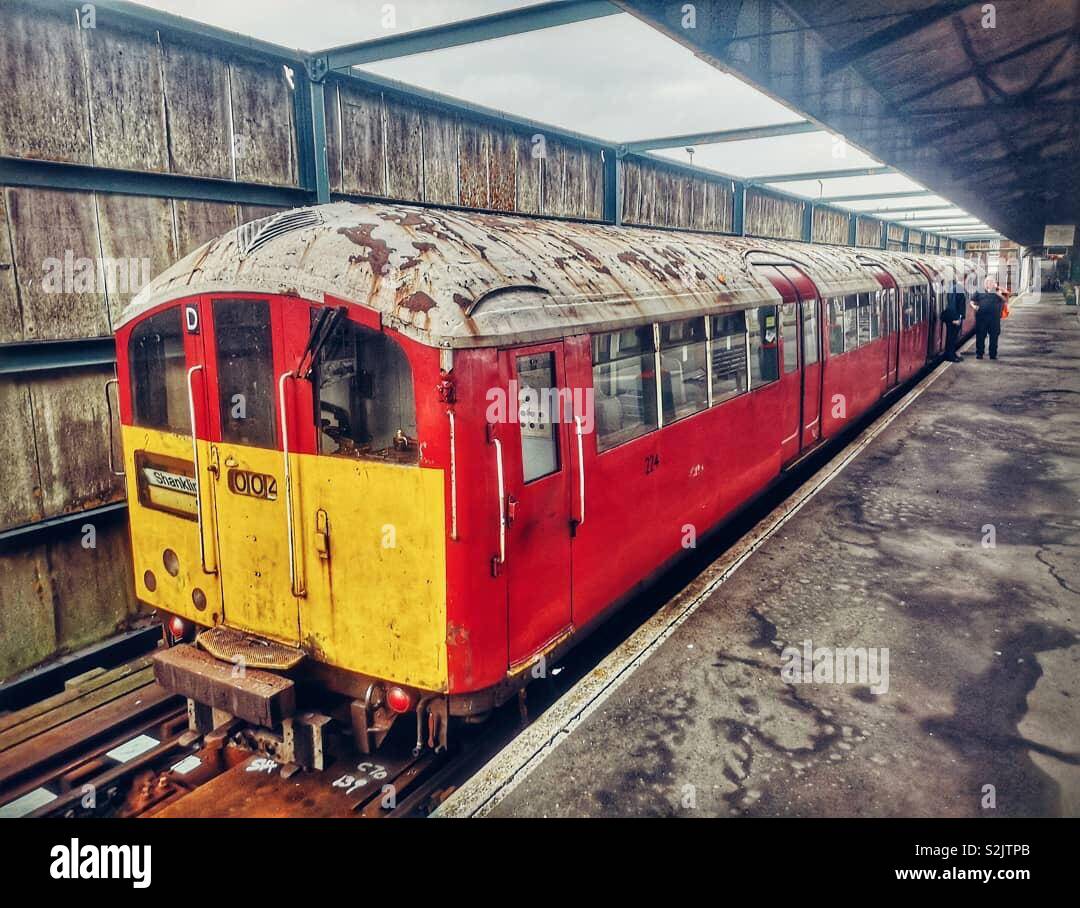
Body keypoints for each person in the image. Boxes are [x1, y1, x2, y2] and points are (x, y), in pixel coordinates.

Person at [970, 277, 1006, 360]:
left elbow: (1005, 299)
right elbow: (971, 301)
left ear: (994, 283)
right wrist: (974, 306)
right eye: (987, 282)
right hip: (981, 318)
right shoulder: (979, 291)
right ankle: (979, 353)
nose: (988, 283)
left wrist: (998, 293)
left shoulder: (998, 291)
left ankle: (992, 354)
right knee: (980, 336)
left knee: (994, 337)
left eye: (990, 282)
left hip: (994, 319)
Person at [943, 280, 967, 362]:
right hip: (953, 318)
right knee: (951, 338)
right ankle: (950, 356)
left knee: (953, 337)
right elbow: (952, 305)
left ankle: (952, 354)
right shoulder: (956, 289)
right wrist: (955, 319)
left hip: (955, 317)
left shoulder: (956, 289)